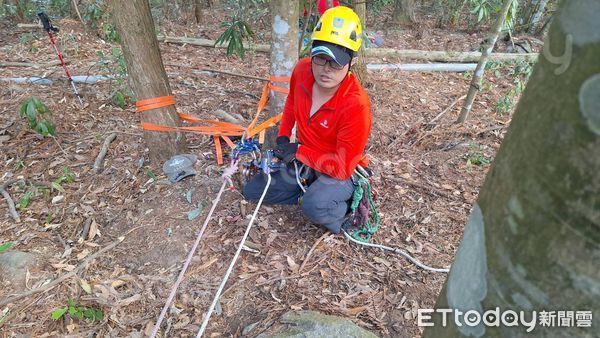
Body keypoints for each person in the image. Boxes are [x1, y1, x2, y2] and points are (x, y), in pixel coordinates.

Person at [243, 6, 371, 234]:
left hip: (339, 170)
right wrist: (284, 136)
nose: (325, 70)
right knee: (254, 191)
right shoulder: (302, 71)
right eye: (320, 59)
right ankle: (308, 185)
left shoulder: (356, 105)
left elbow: (341, 168)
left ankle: (342, 215)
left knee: (315, 206)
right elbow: (292, 101)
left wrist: (299, 152)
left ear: (352, 61)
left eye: (336, 63)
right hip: (306, 161)